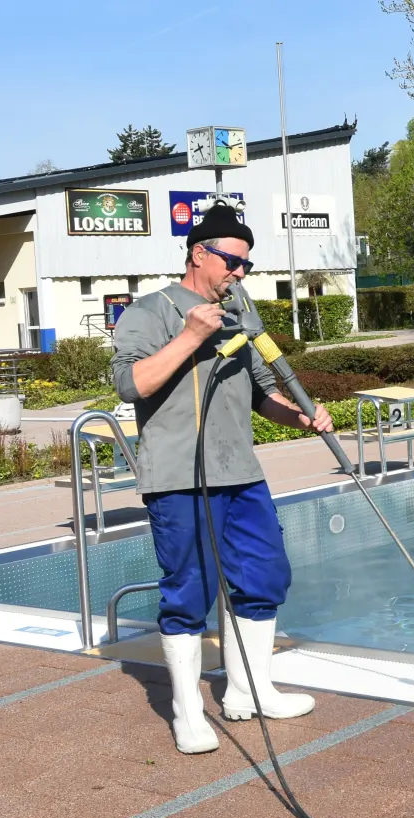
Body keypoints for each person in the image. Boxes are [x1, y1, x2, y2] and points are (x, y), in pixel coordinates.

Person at [110, 200, 333, 754]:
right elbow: (129, 385)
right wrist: (189, 337)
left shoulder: (241, 315)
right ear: (198, 253)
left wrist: (299, 414)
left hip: (242, 474)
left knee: (264, 577)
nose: (239, 273)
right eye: (233, 261)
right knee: (190, 591)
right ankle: (188, 713)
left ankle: (248, 691)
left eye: (247, 266)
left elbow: (262, 393)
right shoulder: (150, 310)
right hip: (179, 477)